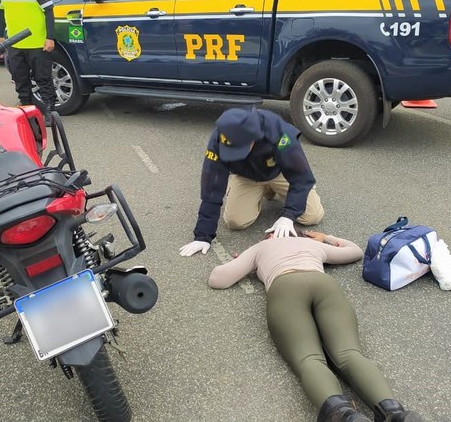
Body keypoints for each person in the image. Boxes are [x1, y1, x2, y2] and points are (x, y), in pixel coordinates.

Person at [209, 231, 423, 422]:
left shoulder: (261, 248)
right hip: (324, 285)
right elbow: (355, 252)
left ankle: (343, 415)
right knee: (350, 353)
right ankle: (395, 413)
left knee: (309, 358)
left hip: (286, 287)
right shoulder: (311, 244)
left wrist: (250, 264)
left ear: (268, 237)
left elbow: (218, 279)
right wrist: (326, 237)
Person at [179, 107, 325, 257]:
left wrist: (288, 216)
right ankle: (262, 190)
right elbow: (212, 185)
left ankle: (273, 188)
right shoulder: (219, 137)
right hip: (246, 176)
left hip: (281, 172)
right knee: (235, 222)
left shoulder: (280, 133)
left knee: (312, 216)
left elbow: (301, 177)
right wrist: (203, 236)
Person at [0, 0, 57, 126]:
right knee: (20, 79)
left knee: (43, 79)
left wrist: (50, 37)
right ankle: (27, 110)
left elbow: (49, 11)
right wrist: (0, 37)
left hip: (38, 42)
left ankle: (49, 111)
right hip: (14, 43)